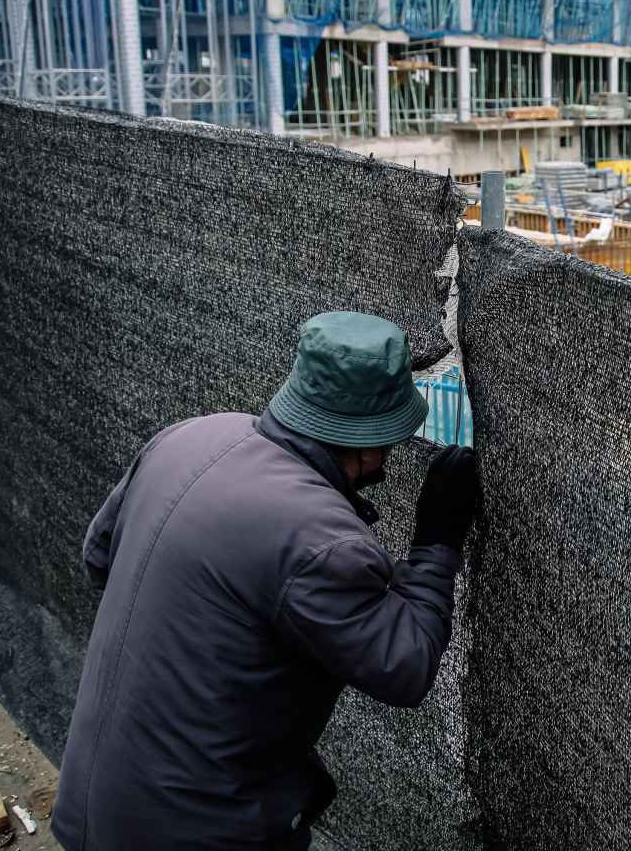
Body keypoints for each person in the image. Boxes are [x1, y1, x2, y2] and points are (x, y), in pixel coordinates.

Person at [53, 312, 479, 851]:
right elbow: (405, 664)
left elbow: (98, 557)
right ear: (367, 443)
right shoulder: (320, 540)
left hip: (96, 799)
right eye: (391, 438)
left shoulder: (192, 435)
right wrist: (437, 541)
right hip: (196, 831)